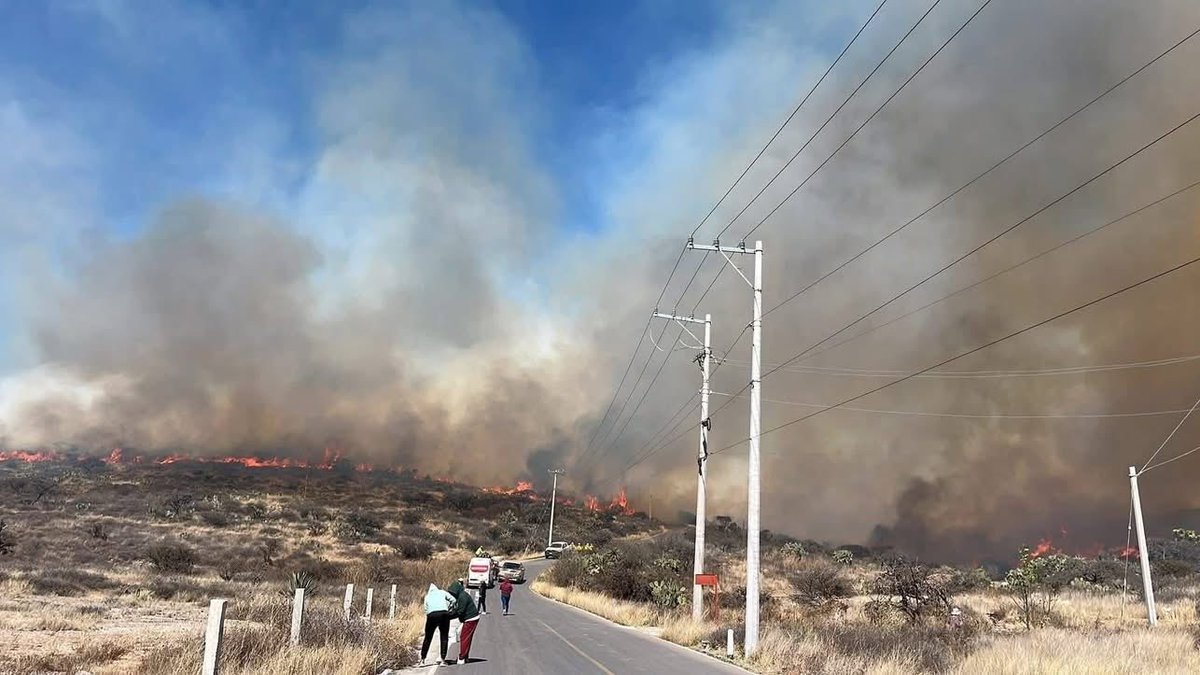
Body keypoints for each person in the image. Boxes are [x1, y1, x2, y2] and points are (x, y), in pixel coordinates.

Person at [420, 583, 456, 666]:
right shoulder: (442, 592)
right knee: (444, 637)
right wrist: (449, 607)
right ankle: (443, 660)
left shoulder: (427, 596)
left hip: (432, 615)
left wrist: (430, 614)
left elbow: (426, 609)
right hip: (444, 614)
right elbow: (453, 600)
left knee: (428, 638)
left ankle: (422, 659)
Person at [447, 579, 481, 665]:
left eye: (452, 592)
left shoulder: (462, 597)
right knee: (466, 637)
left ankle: (462, 657)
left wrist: (448, 617)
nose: (452, 594)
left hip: (471, 619)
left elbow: (460, 612)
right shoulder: (461, 595)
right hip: (470, 618)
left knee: (464, 637)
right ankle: (465, 656)